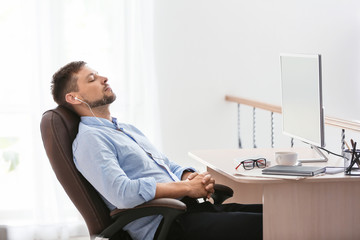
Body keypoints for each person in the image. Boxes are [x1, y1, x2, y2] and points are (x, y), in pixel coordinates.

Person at [51, 61, 263, 240]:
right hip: (170, 225)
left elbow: (166, 164)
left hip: (194, 210)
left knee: (282, 215)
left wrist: (188, 176)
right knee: (270, 226)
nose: (104, 78)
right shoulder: (91, 140)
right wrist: (186, 188)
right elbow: (123, 193)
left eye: (99, 75)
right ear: (73, 98)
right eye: (92, 79)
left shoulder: (125, 129)